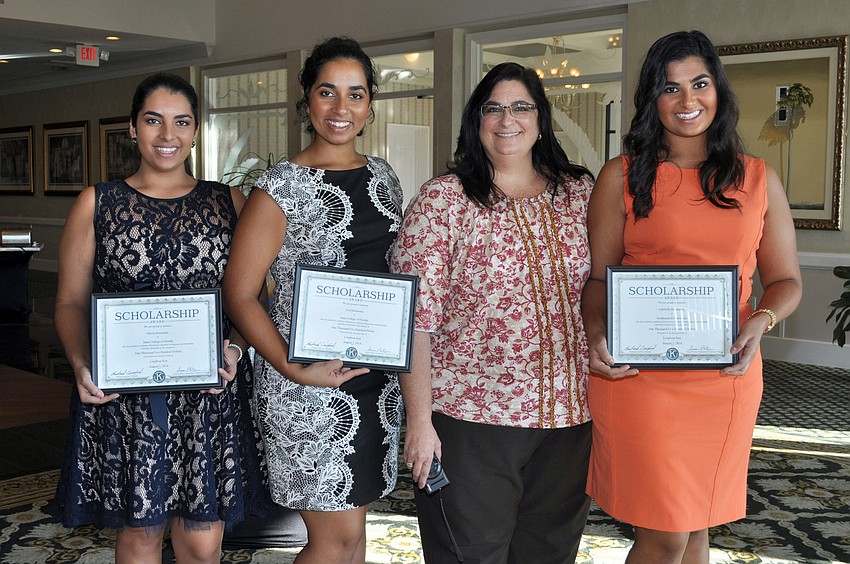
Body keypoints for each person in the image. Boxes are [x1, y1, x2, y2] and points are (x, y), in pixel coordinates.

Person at [583, 30, 803, 563]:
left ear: (718, 90)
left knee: (698, 523)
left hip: (725, 378)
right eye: (670, 87)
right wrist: (595, 334)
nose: (688, 101)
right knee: (665, 533)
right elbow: (597, 280)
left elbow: (786, 281)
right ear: (651, 100)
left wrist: (762, 320)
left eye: (699, 84)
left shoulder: (757, 178)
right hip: (641, 380)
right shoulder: (622, 176)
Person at [52, 72, 267, 563]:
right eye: (153, 121)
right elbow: (68, 302)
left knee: (202, 540)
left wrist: (235, 347)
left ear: (195, 131)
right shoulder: (97, 203)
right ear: (132, 127)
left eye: (181, 122)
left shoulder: (229, 202)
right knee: (141, 534)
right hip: (126, 399)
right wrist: (83, 364)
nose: (167, 136)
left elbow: (255, 295)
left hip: (208, 396)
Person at [391, 62, 595, 563]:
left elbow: (607, 283)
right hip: (472, 420)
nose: (508, 119)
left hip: (571, 416)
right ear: (476, 121)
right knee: (470, 555)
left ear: (541, 119)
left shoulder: (579, 193)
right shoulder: (445, 200)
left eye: (521, 106)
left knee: (550, 553)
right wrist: (419, 423)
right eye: (493, 108)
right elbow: (414, 321)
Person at [222, 37, 404, 564]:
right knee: (333, 539)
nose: (341, 109)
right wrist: (292, 367)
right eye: (328, 93)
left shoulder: (384, 176)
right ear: (307, 102)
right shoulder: (279, 188)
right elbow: (239, 293)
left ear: (370, 105)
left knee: (356, 534)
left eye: (355, 94)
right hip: (305, 384)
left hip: (375, 379)